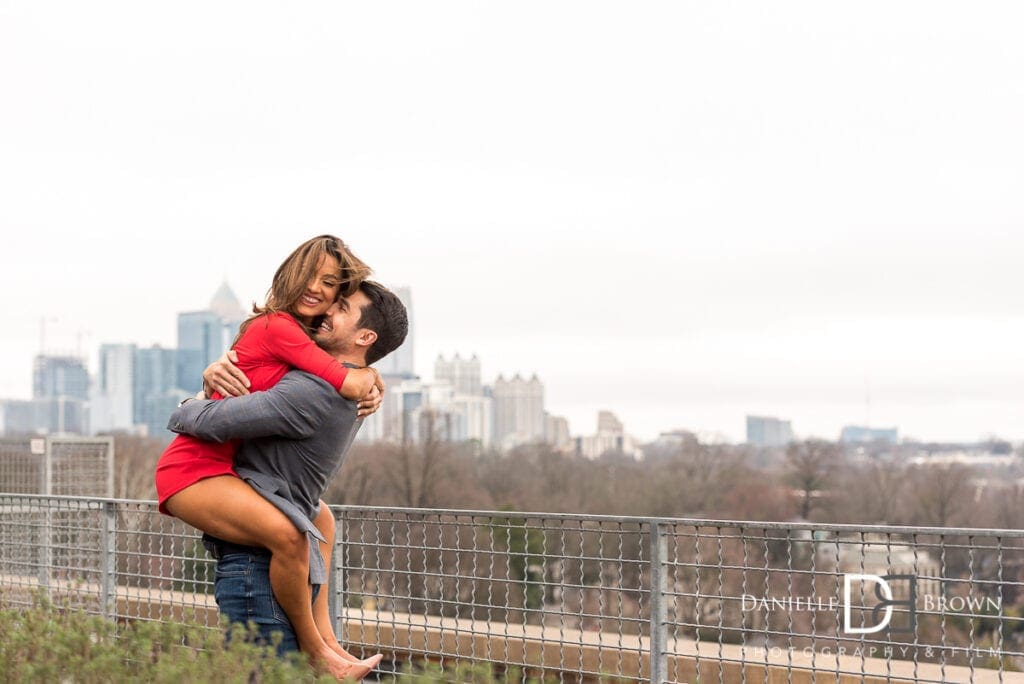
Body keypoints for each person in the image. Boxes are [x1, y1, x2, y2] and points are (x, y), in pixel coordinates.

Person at [154, 235, 385, 678]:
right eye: (310, 276)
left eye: (331, 284)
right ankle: (317, 649)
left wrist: (371, 371)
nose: (318, 289)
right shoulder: (277, 327)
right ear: (289, 272)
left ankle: (330, 643)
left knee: (322, 520)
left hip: (224, 467)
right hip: (193, 470)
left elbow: (331, 364)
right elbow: (341, 377)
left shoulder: (299, 341)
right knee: (289, 535)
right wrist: (368, 375)